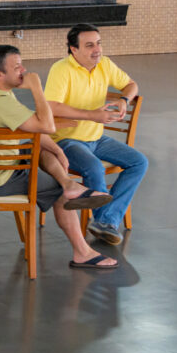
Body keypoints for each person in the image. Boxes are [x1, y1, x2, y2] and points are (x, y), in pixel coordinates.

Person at [0, 44, 118, 269]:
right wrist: (36, 88)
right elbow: (47, 126)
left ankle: (69, 184)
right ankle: (83, 252)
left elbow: (32, 128)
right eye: (17, 67)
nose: (24, 71)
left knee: (43, 149)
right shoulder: (0, 101)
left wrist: (58, 150)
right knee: (61, 194)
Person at [43, 24, 147, 245]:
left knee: (139, 162)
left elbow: (131, 85)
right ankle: (105, 222)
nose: (97, 49)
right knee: (94, 167)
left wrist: (124, 99)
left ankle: (106, 220)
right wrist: (91, 115)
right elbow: (51, 106)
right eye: (89, 45)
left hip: (96, 138)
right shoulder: (61, 69)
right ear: (74, 49)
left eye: (98, 43)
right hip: (66, 140)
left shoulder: (105, 64)